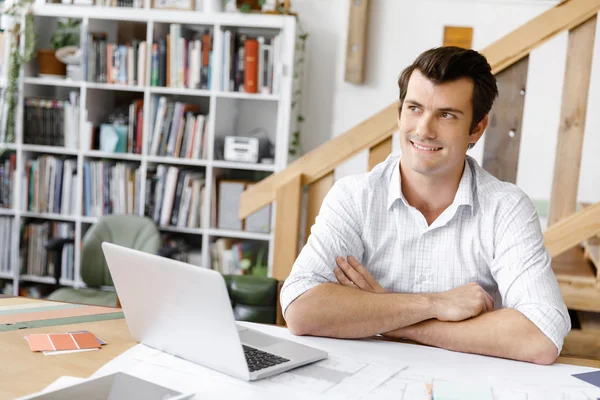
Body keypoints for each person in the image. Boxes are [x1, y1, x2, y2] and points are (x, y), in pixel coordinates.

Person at [279, 46, 570, 365]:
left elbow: (541, 336)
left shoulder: (506, 208)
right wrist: (433, 304)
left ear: (477, 127)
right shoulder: (353, 197)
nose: (423, 129)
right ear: (400, 112)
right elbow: (301, 309)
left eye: (446, 115)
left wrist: (393, 321)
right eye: (415, 108)